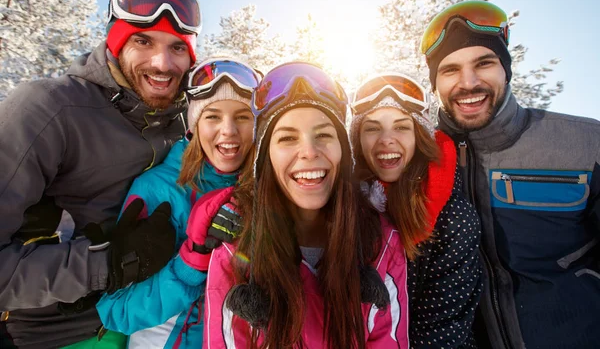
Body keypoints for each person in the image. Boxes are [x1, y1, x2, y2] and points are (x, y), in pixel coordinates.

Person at [0, 0, 201, 349]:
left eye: (177, 47)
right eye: (143, 41)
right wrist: (108, 264)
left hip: (150, 324)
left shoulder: (184, 124)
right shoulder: (48, 111)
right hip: (54, 336)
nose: (163, 64)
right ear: (116, 43)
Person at [420, 0, 600, 348]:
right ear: (435, 83)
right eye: (450, 70)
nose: (468, 82)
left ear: (506, 68)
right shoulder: (416, 160)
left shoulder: (584, 145)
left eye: (484, 63)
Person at [199, 62, 409, 348]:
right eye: (287, 138)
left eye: (323, 135)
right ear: (266, 159)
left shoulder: (380, 245)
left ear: (343, 153)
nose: (309, 152)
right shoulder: (233, 252)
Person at [95, 58, 259, 348]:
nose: (229, 131)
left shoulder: (268, 190)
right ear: (194, 125)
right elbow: (115, 311)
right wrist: (189, 264)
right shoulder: (159, 189)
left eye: (243, 116)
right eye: (213, 116)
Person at [350, 73, 483, 348]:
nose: (386, 140)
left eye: (401, 127)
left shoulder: (453, 218)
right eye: (372, 128)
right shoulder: (345, 206)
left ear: (419, 136)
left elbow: (443, 329)